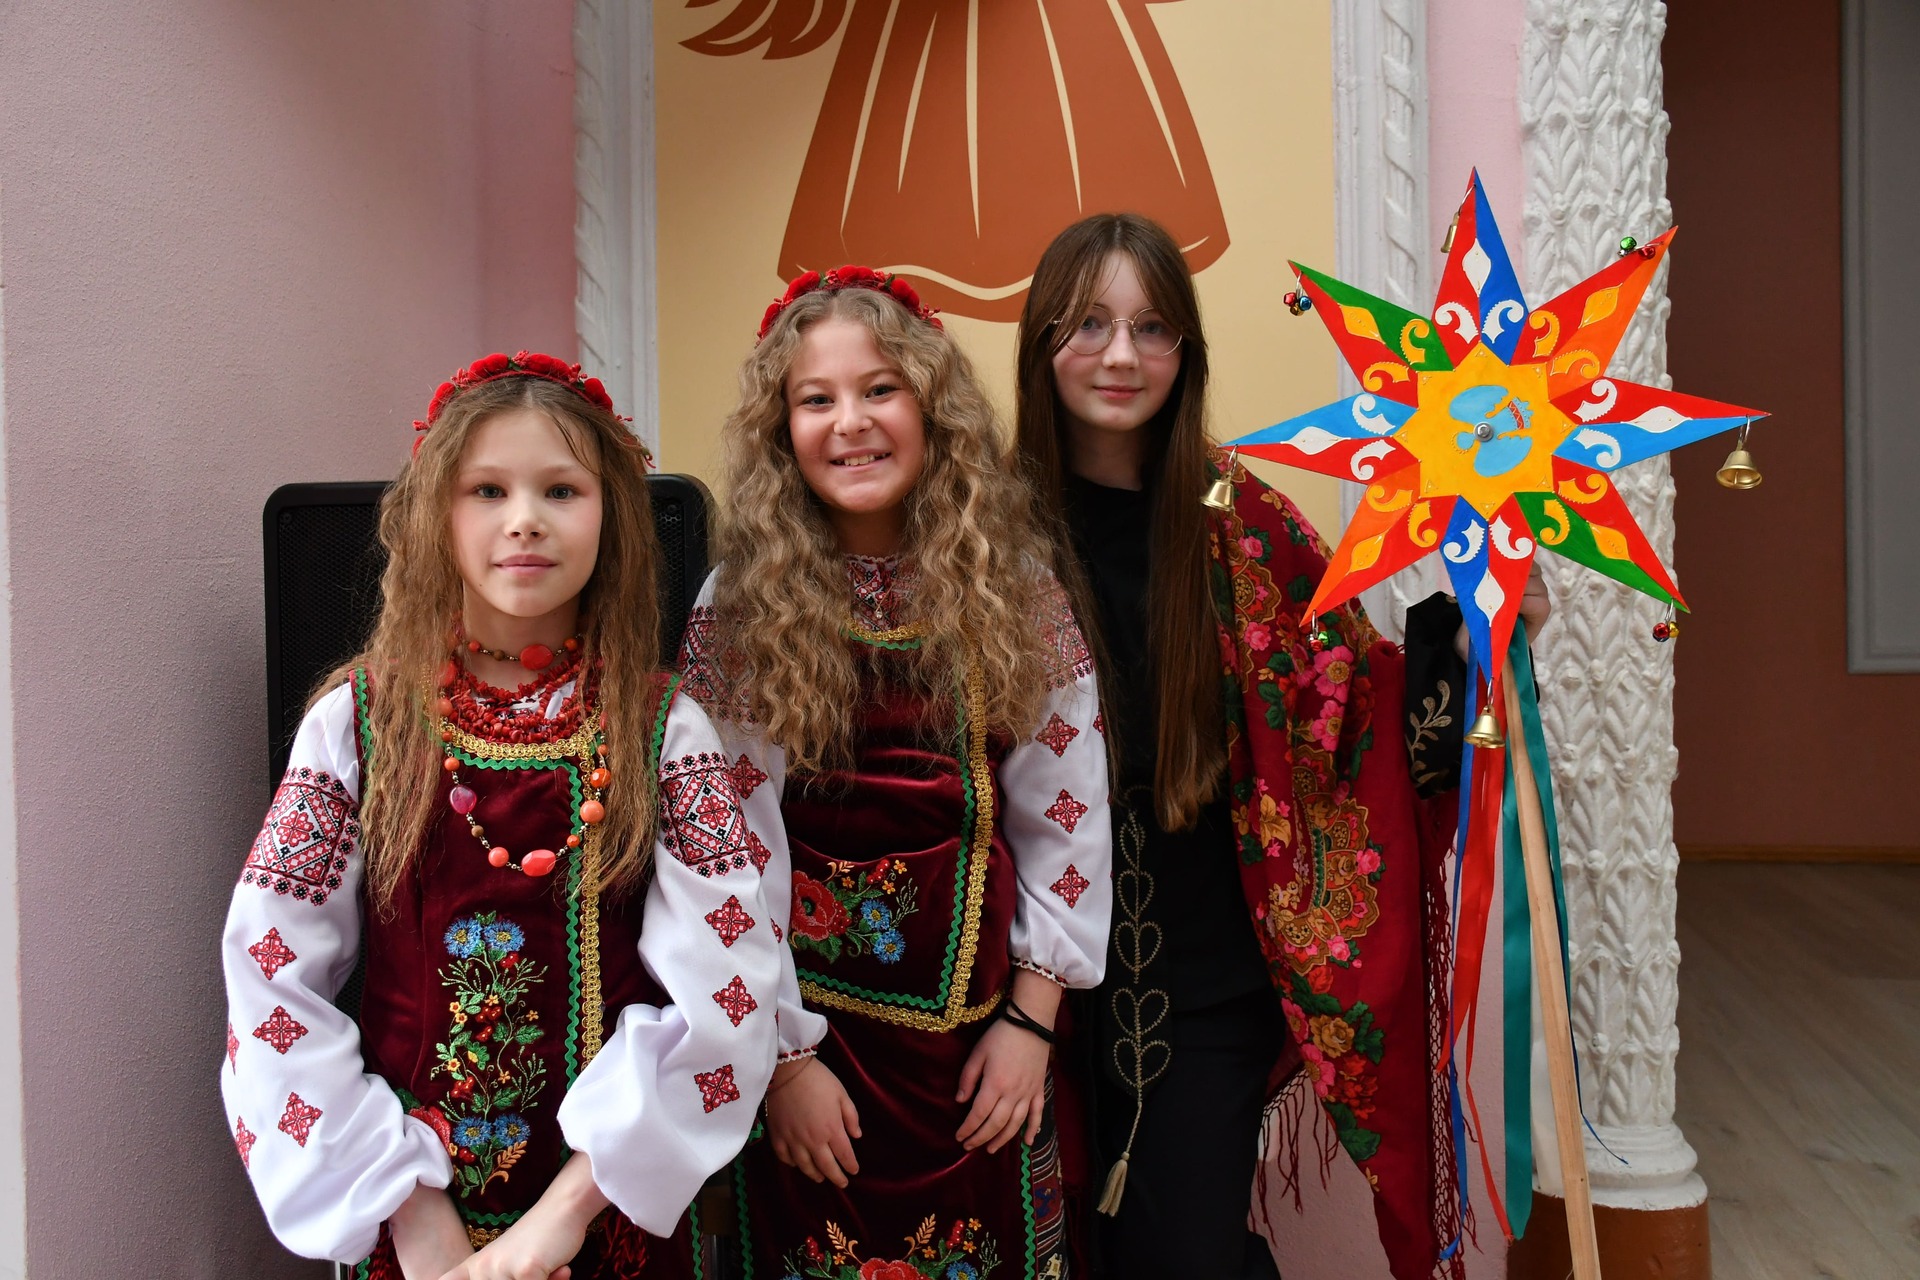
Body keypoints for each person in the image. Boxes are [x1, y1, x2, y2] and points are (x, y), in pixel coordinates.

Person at [1011, 216, 1550, 1280]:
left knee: (1182, 1252)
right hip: (1014, 979)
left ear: (1186, 352)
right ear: (1041, 342)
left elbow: (1349, 699)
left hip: (1199, 977)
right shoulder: (981, 525)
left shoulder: (1237, 515)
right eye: (1088, 324)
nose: (1121, 355)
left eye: (1153, 328)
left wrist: (1469, 641)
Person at [220, 352, 788, 1280]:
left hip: (609, 1222)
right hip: (412, 1231)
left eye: (561, 490)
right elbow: (270, 981)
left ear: (611, 517)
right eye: (487, 490)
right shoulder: (357, 725)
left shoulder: (665, 731)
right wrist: (413, 1216)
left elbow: (728, 994)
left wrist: (558, 1221)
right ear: (434, 515)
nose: (524, 518)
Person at [673, 267, 1112, 1280]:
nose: (851, 422)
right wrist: (784, 1061)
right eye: (815, 399)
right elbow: (721, 850)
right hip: (805, 1057)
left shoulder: (1016, 589)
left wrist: (1031, 1021)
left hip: (983, 1056)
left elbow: (1067, 816)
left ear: (934, 409)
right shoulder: (737, 606)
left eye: (881, 389)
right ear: (780, 429)